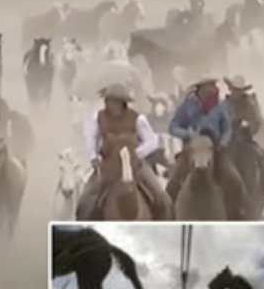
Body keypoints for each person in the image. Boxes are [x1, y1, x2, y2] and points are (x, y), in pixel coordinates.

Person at [77, 84, 172, 220]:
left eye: (114, 101)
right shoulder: (98, 118)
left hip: (135, 165)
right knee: (85, 201)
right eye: (109, 100)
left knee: (163, 199)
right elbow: (92, 138)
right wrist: (94, 156)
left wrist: (136, 153)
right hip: (107, 166)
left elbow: (152, 140)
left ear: (122, 103)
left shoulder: (137, 119)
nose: (111, 104)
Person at [166, 75, 249, 218]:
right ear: (201, 88)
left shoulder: (219, 106)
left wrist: (222, 142)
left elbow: (227, 128)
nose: (213, 88)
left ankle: (237, 213)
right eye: (210, 85)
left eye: (213, 85)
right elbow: (173, 126)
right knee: (172, 183)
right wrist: (187, 134)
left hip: (214, 150)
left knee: (235, 181)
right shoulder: (187, 105)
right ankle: (169, 215)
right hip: (191, 150)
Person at [223, 75, 264, 205]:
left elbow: (256, 121)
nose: (236, 92)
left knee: (261, 158)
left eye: (239, 90)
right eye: (234, 89)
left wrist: (247, 127)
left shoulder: (250, 104)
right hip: (226, 143)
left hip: (244, 142)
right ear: (230, 89)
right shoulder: (224, 105)